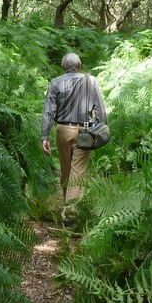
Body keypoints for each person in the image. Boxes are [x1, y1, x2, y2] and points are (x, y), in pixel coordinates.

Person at [41, 52, 108, 202]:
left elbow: (48, 112)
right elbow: (100, 110)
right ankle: (70, 212)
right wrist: (102, 129)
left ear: (63, 67)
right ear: (79, 66)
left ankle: (67, 203)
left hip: (62, 131)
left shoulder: (55, 83)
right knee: (77, 173)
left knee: (65, 171)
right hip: (84, 133)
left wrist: (44, 136)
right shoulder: (91, 81)